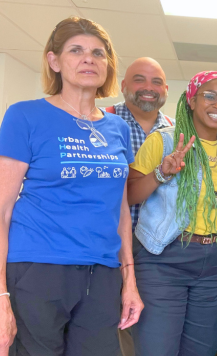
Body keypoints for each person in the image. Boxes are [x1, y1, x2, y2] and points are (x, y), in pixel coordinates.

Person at [0, 16, 143, 355]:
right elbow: (2, 210)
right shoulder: (25, 116)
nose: (88, 59)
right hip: (39, 267)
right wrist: (0, 295)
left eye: (98, 52)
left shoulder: (118, 128)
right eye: (76, 50)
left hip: (102, 273)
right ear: (54, 60)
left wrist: (130, 282)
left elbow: (120, 209)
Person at [127, 71, 217, 355]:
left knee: (201, 350)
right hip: (165, 259)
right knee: (157, 348)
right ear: (191, 100)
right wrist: (161, 173)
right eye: (210, 96)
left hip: (216, 262)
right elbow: (129, 195)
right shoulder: (164, 141)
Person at [111, 56, 173, 356]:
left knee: (152, 327)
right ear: (123, 86)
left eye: (156, 82)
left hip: (160, 251)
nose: (148, 88)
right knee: (116, 325)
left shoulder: (177, 132)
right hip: (113, 246)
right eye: (139, 79)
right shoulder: (104, 123)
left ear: (166, 90)